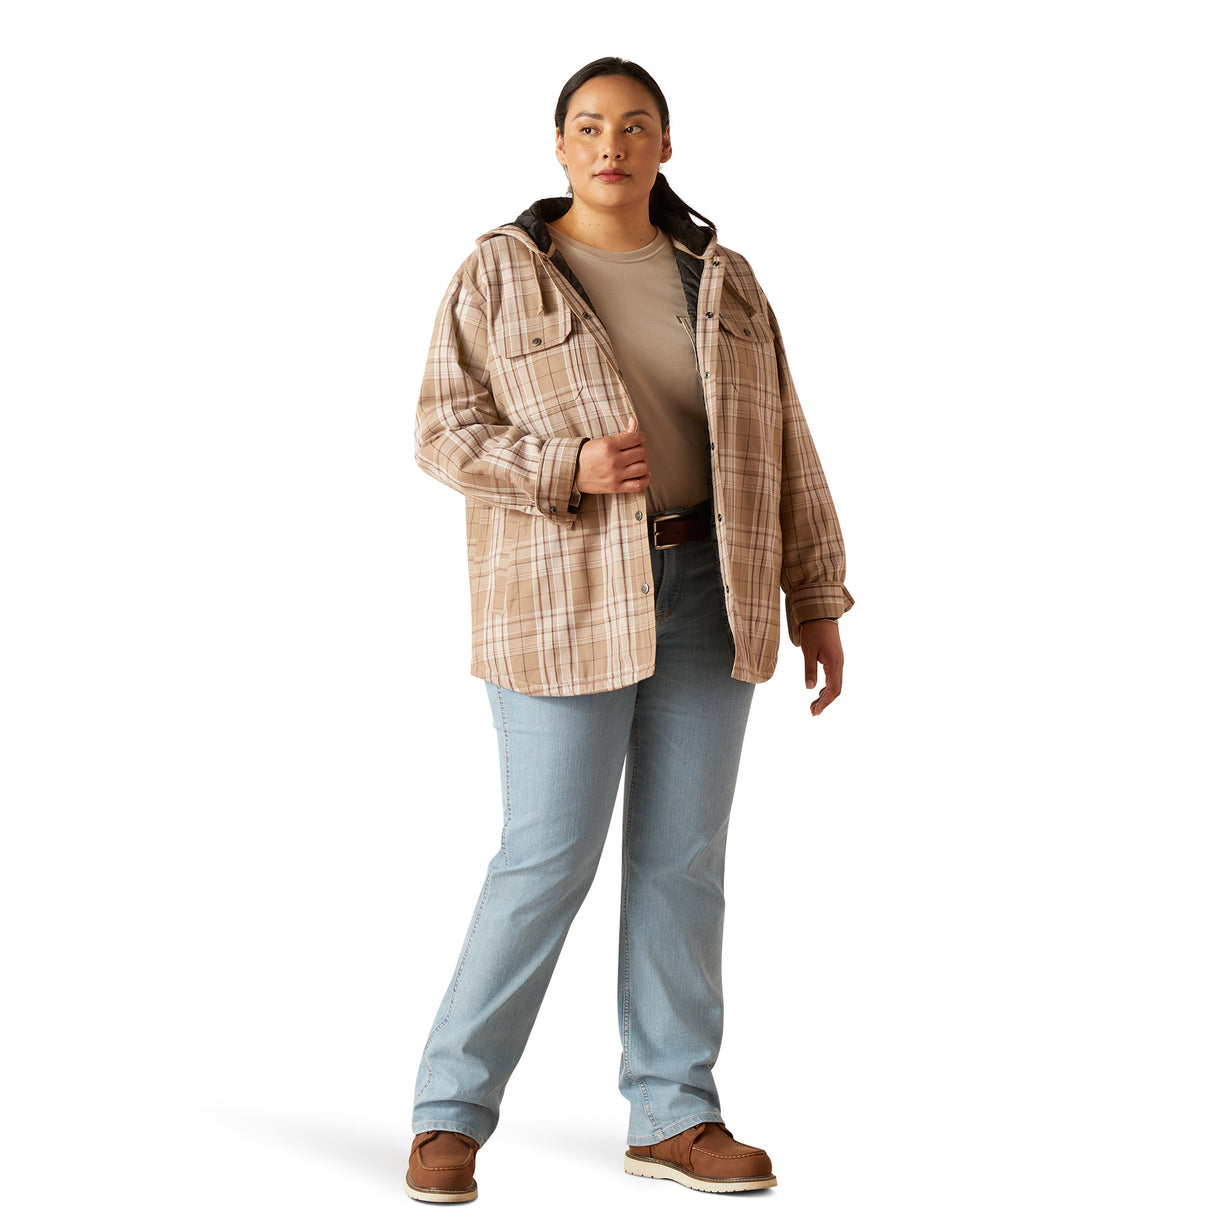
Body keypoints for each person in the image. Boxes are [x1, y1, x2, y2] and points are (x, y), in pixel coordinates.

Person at [405, 56, 854, 1202]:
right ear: (560, 146)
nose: (612, 145)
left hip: (714, 587)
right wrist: (567, 466)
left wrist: (815, 596)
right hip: (563, 599)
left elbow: (786, 439)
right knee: (544, 856)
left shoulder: (724, 280)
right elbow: (442, 431)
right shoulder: (503, 273)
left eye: (635, 125)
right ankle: (448, 1114)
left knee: (684, 859)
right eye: (590, 126)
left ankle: (673, 1113)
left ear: (664, 145)